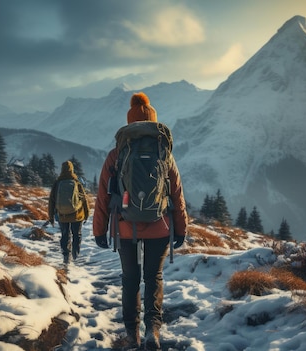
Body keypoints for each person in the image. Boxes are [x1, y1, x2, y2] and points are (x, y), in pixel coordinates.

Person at [93, 92, 189, 350]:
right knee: (153, 277)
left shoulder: (117, 153)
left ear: (129, 122)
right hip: (160, 227)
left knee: (130, 279)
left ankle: (131, 332)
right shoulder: (163, 152)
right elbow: (176, 193)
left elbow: (103, 194)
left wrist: (99, 230)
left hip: (125, 227)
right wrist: (181, 229)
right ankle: (152, 331)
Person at [48, 160, 90, 264]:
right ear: (72, 169)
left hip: (62, 215)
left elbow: (51, 201)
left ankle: (66, 256)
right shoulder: (76, 182)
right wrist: (87, 214)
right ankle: (75, 255)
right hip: (77, 215)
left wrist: (51, 217)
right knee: (77, 234)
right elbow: (84, 199)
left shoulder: (57, 183)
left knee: (65, 234)